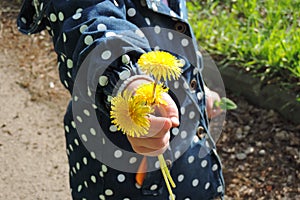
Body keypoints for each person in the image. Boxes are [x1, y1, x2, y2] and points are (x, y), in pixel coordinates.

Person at [17, 0, 225, 199]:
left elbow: (171, 30)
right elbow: (92, 25)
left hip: (190, 164)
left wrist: (196, 88)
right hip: (122, 171)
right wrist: (129, 84)